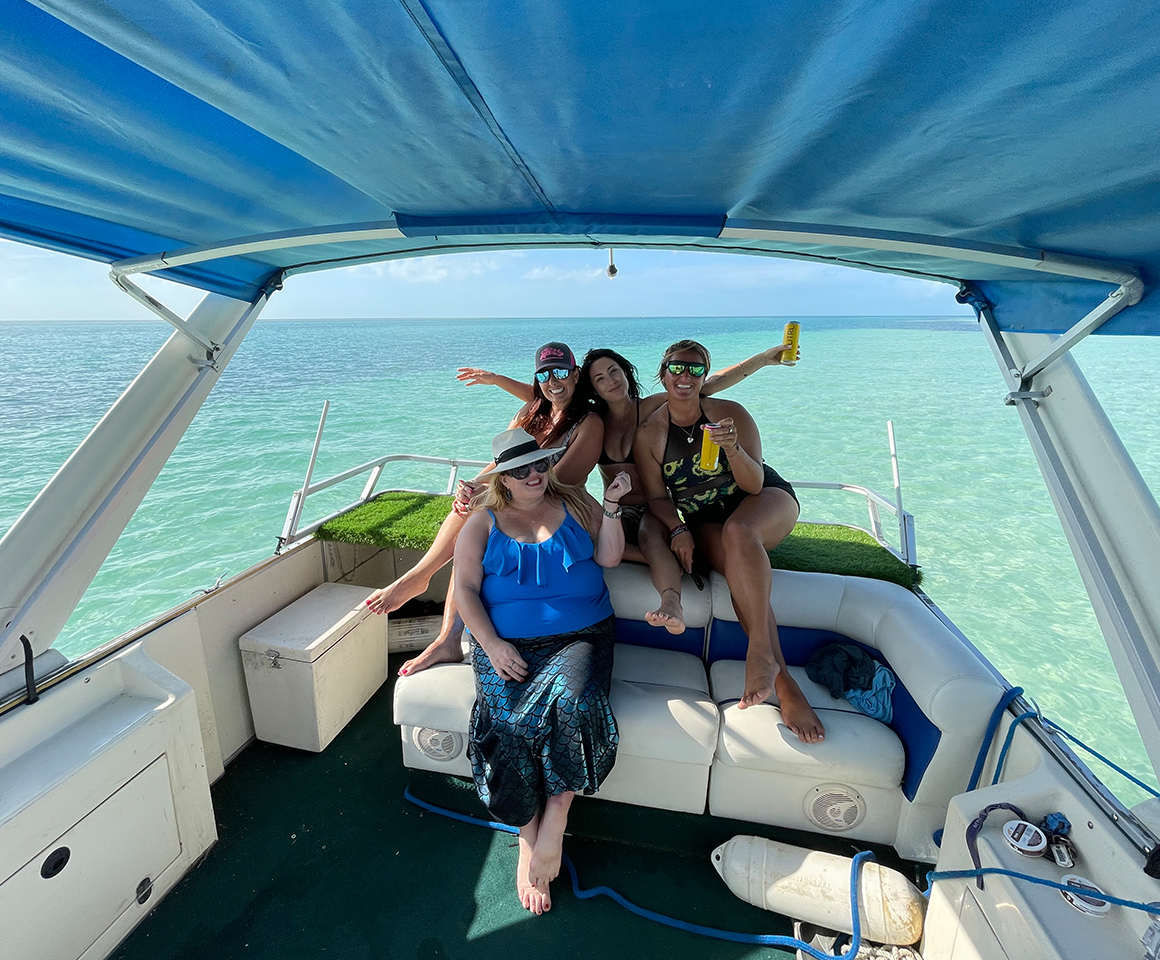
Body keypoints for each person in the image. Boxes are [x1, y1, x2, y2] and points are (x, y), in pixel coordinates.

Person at [458, 340, 797, 634]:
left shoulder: (650, 408)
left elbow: (705, 382)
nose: (609, 381)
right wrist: (496, 380)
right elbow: (544, 395)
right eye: (599, 378)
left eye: (614, 372)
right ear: (591, 387)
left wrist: (761, 361)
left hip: (651, 506)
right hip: (615, 507)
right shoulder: (595, 420)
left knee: (652, 538)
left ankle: (671, 602)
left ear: (626, 372)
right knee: (579, 537)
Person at [454, 427, 631, 914]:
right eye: (519, 469)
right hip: (506, 645)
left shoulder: (575, 504)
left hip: (581, 637)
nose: (533, 474)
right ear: (503, 479)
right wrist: (489, 645)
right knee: (510, 724)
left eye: (539, 464)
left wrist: (611, 505)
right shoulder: (481, 522)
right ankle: (527, 837)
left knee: (573, 704)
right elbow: (465, 590)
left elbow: (610, 557)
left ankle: (555, 819)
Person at [365, 342, 603, 674]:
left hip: (556, 506)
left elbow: (556, 481)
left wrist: (487, 494)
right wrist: (474, 486)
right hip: (517, 499)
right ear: (538, 379)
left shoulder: (589, 423)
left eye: (562, 372)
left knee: (479, 521)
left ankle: (422, 582)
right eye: (545, 374)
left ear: (576, 375)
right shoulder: (530, 412)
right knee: (468, 516)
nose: (554, 380)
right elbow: (501, 462)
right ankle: (444, 632)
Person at [634, 339, 825, 743]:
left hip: (762, 502)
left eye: (695, 369)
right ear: (663, 373)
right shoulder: (650, 433)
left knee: (740, 533)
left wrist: (732, 448)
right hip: (704, 519)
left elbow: (753, 483)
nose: (685, 376)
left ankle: (766, 659)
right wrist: (679, 528)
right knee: (738, 559)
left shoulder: (730, 414)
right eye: (677, 368)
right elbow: (655, 497)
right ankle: (779, 675)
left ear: (704, 376)